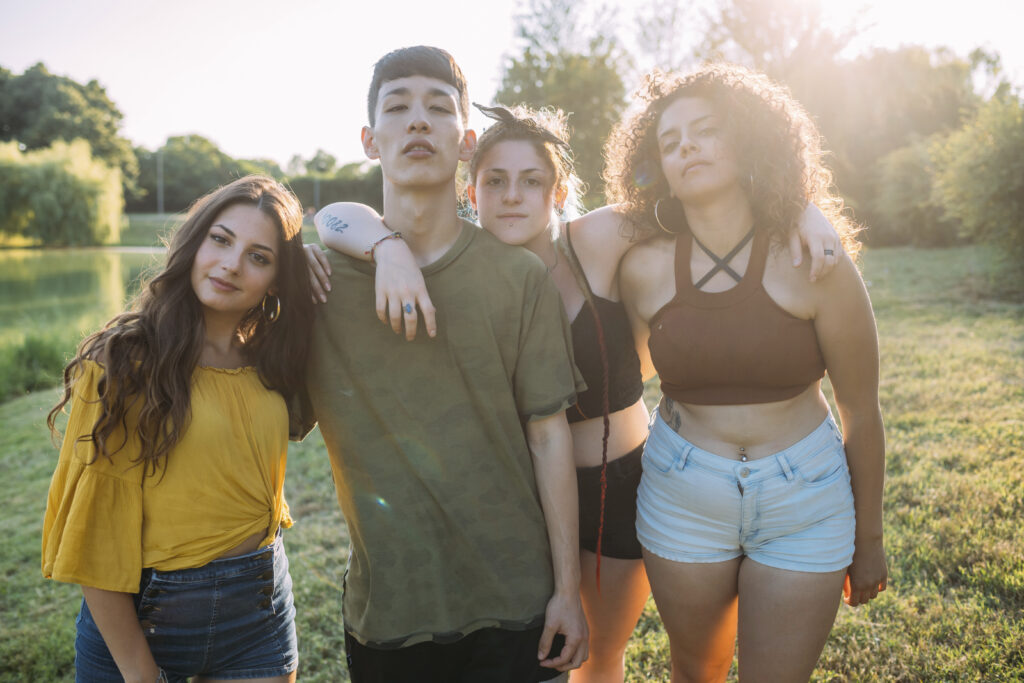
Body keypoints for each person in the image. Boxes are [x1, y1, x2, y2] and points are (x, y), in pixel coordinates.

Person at [307, 101, 842, 681]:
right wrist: (374, 244)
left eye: (531, 181)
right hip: (519, 496)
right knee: (544, 658)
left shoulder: (599, 239)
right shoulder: (454, 265)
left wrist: (800, 211)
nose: (513, 196)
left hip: (622, 483)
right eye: (495, 182)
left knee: (600, 654)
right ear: (472, 192)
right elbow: (336, 215)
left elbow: (705, 198)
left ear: (558, 193)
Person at [295, 46, 588, 682]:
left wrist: (567, 590)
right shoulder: (318, 284)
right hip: (391, 610)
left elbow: (548, 437)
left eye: (438, 108)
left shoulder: (519, 277)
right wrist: (376, 250)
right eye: (397, 109)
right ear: (371, 141)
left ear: (467, 141)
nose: (418, 122)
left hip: (517, 604)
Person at [606, 64, 888, 682]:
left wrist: (870, 541)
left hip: (805, 499)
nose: (686, 147)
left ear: (748, 142)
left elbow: (861, 410)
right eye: (670, 141)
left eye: (706, 130)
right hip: (683, 494)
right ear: (658, 170)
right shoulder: (642, 269)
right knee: (695, 671)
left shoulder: (815, 258)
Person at [42, 175, 314, 683]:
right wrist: (141, 674)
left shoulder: (273, 359)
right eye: (221, 239)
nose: (232, 264)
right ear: (196, 241)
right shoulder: (123, 361)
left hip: (260, 607)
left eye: (260, 256)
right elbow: (95, 535)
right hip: (148, 616)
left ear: (277, 278)